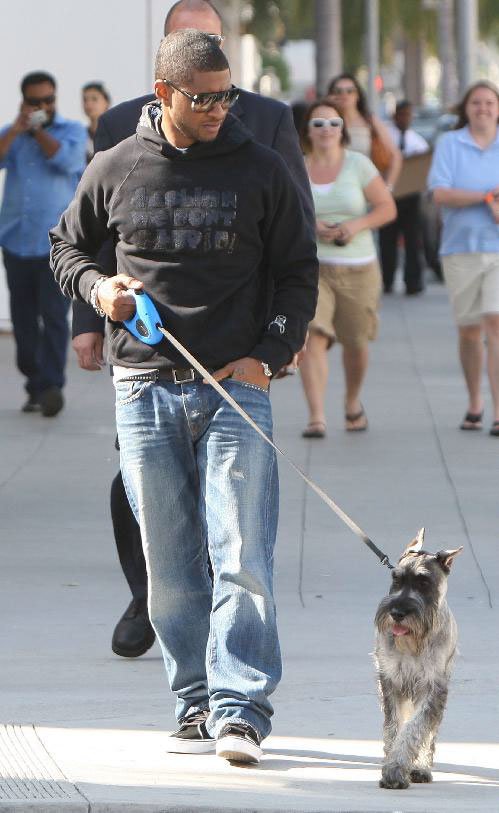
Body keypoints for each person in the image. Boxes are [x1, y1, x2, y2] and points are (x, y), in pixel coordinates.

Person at [50, 30, 318, 763]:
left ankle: (242, 709)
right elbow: (65, 246)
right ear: (164, 93)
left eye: (227, 95)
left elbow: (299, 268)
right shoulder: (117, 166)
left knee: (241, 556)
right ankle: (196, 701)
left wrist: (272, 351)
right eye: (203, 98)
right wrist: (100, 286)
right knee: (168, 566)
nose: (218, 110)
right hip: (141, 388)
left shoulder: (260, 169)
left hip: (236, 388)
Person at [299, 98, 395, 437]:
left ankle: (352, 401)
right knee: (313, 337)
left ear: (343, 130)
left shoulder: (359, 165)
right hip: (313, 268)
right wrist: (311, 227)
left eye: (334, 124)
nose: (327, 130)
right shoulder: (297, 166)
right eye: (319, 124)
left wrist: (355, 226)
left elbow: (386, 208)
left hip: (358, 267)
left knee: (356, 342)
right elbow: (285, 212)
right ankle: (316, 416)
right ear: (308, 131)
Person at [0, 72, 86, 416]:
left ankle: (51, 386)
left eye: (47, 100)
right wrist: (19, 130)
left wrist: (38, 132)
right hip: (16, 240)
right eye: (35, 101)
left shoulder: (72, 131)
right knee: (22, 318)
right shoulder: (15, 133)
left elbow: (67, 161)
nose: (42, 107)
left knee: (53, 316)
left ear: (55, 98)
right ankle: (34, 381)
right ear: (24, 101)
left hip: (55, 244)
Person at [428, 80, 499, 437]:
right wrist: (486, 198)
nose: (483, 108)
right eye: (477, 102)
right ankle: (475, 402)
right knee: (470, 331)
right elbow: (439, 193)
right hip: (461, 250)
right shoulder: (450, 144)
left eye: (489, 102)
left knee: (496, 323)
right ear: (466, 109)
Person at [380, 100, 430, 295]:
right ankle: (388, 280)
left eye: (409, 115)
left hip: (411, 197)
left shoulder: (418, 142)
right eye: (402, 115)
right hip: (388, 195)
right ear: (395, 116)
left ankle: (413, 282)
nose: (405, 119)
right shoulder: (386, 138)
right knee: (387, 241)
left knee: (413, 240)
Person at [327, 72, 401, 191]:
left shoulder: (369, 121)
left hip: (365, 190)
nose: (344, 95)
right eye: (338, 91)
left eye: (350, 91)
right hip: (334, 189)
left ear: (358, 95)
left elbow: (395, 156)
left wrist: (388, 188)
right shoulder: (327, 123)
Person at [82, 82, 111, 163]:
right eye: (85, 100)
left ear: (106, 102)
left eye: (94, 99)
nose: (89, 104)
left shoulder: (116, 134)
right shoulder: (80, 136)